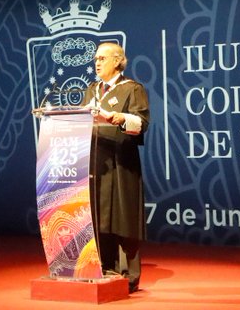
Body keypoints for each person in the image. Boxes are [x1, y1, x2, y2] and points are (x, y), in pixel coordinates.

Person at [82, 41, 149, 292]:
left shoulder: (132, 89)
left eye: (102, 58)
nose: (96, 62)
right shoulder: (92, 90)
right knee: (100, 216)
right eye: (96, 59)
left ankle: (127, 275)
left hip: (122, 163)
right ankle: (104, 267)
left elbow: (142, 122)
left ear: (117, 60)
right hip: (97, 164)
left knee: (123, 216)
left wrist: (122, 118)